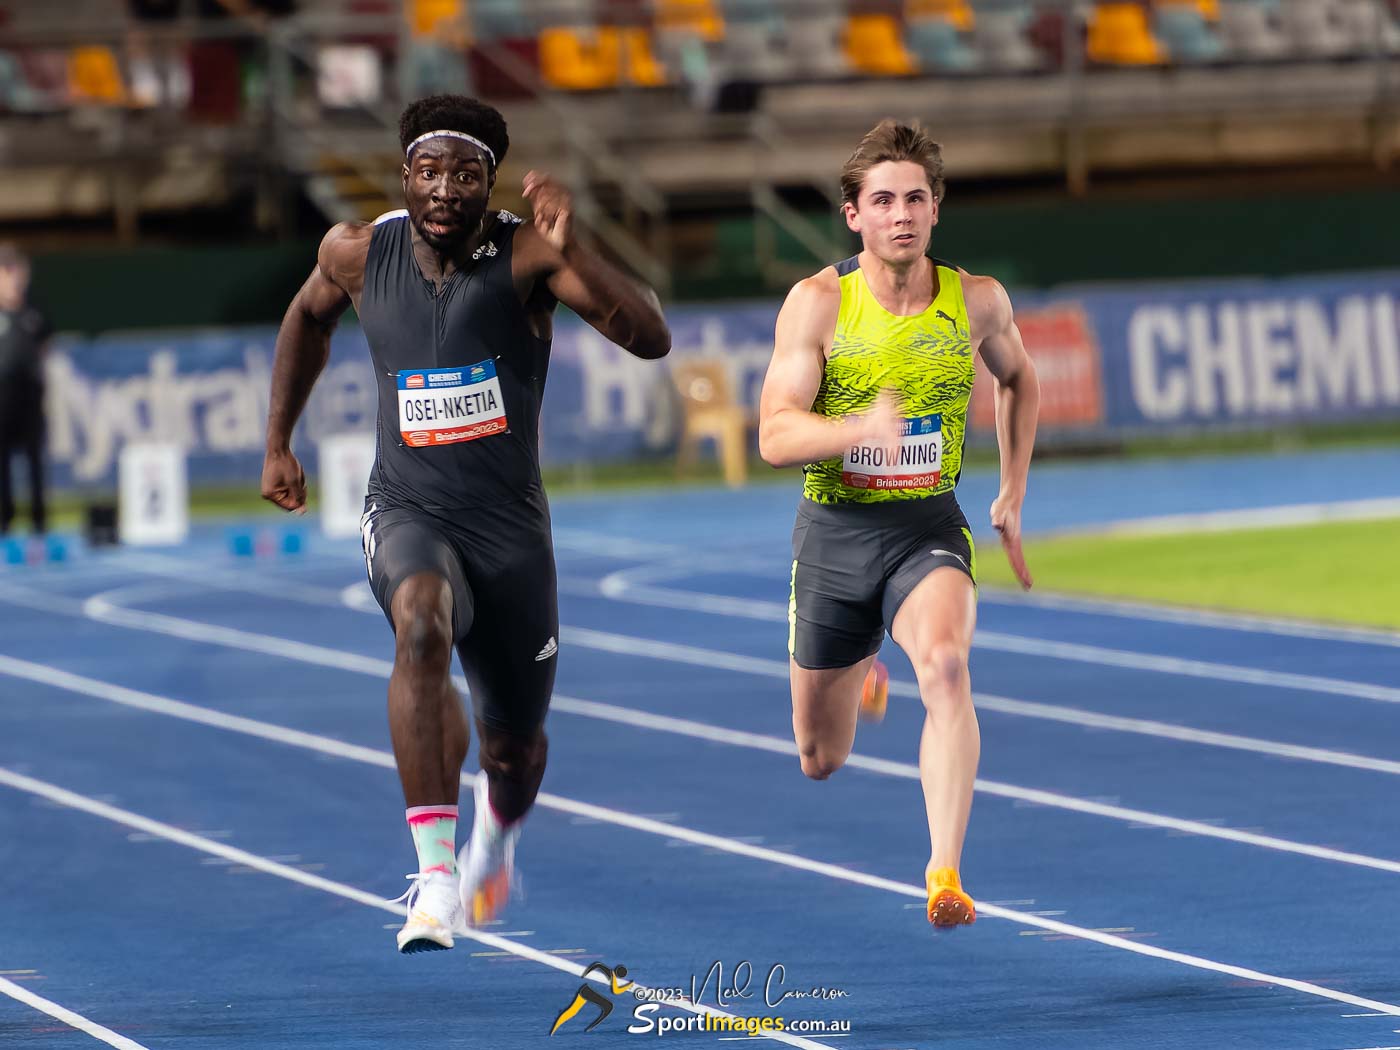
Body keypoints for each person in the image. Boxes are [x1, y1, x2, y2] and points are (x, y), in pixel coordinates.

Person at [260, 94, 671, 954]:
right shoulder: (355, 253)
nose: (446, 189)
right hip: (406, 507)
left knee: (513, 751)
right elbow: (304, 317)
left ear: (490, 186)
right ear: (403, 175)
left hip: (510, 531)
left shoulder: (525, 256)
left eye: (468, 174)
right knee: (420, 627)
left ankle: (496, 837)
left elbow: (650, 337)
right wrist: (278, 442)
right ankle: (435, 880)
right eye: (430, 170)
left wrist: (572, 242)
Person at [757, 120, 1039, 928]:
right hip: (836, 533)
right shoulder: (817, 304)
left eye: (915, 198)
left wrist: (1013, 491)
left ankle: (943, 873)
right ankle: (863, 669)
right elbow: (776, 434)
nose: (901, 214)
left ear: (936, 208)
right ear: (855, 216)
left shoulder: (977, 300)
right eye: (883, 201)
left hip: (928, 527)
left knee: (948, 668)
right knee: (820, 758)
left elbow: (1020, 381)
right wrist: (855, 432)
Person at [0, 244, 52, 538]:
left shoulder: (34, 312)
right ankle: (5, 519)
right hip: (2, 396)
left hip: (30, 395)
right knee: (2, 462)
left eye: (15, 271)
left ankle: (39, 520)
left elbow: (46, 346)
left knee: (34, 459)